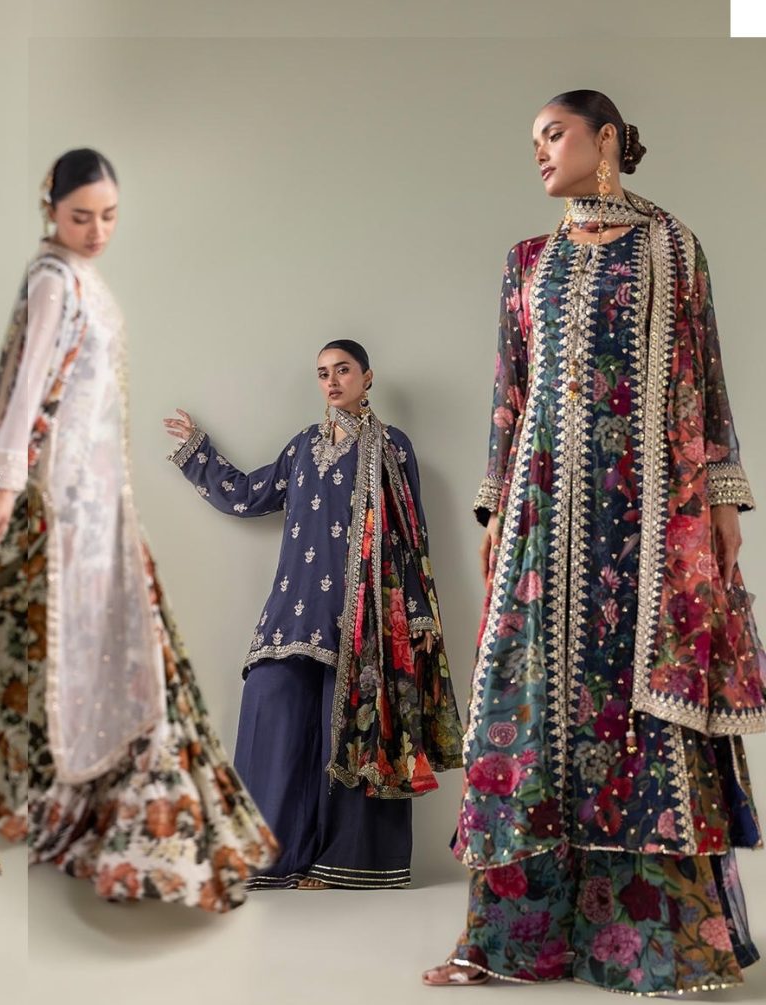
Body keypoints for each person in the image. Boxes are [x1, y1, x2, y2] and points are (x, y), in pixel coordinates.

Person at [423, 89, 761, 994]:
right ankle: (513, 940)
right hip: (542, 513)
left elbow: (705, 372)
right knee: (530, 702)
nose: (540, 152)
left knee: (640, 705)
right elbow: (510, 393)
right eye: (533, 140)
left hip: (647, 515)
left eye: (554, 133)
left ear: (604, 137)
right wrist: (496, 510)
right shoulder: (528, 261)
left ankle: (656, 943)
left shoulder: (672, 247)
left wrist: (724, 499)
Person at [0, 148, 277, 912]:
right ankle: (23, 807)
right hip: (59, 497)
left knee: (111, 646)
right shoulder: (52, 279)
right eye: (81, 216)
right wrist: (7, 483)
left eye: (109, 217)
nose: (96, 231)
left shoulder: (87, 279)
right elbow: (27, 387)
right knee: (23, 638)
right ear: (51, 209)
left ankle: (113, 829)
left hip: (102, 499)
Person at [165, 339, 461, 890]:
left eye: (342, 370)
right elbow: (250, 494)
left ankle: (346, 864)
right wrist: (199, 453)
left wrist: (419, 613)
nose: (332, 381)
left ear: (367, 377)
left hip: (363, 616)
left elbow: (410, 533)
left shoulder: (391, 446)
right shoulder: (303, 446)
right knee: (272, 711)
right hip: (293, 610)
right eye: (323, 373)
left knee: (350, 730)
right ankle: (268, 857)